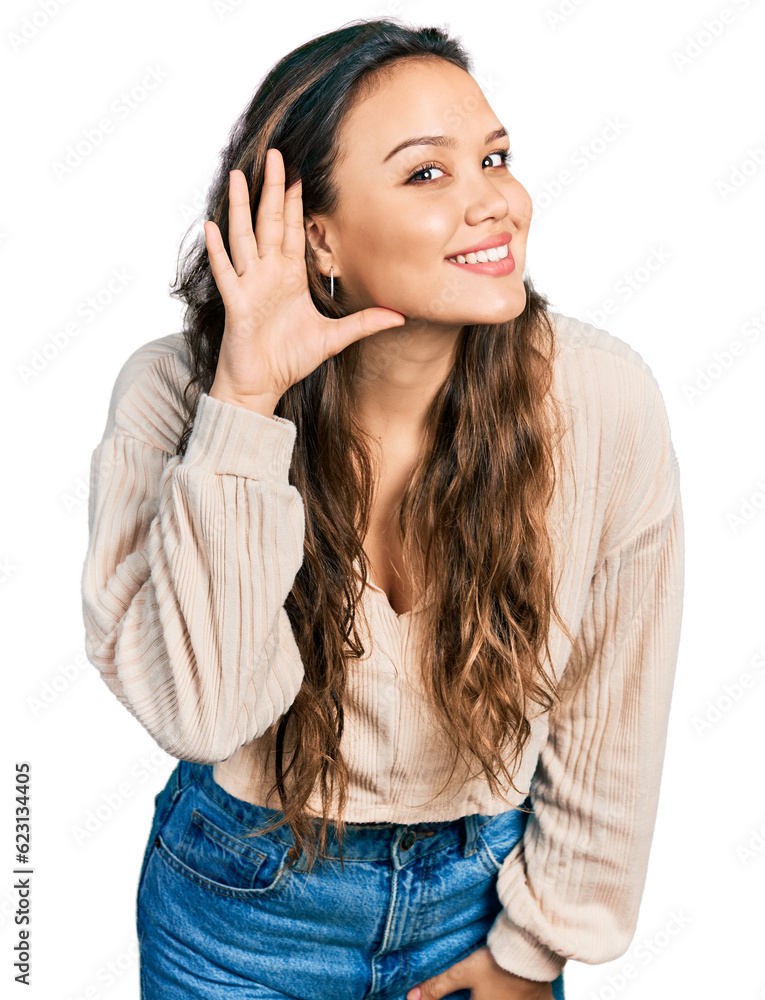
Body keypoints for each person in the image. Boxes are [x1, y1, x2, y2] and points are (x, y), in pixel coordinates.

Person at [80, 17, 684, 1000]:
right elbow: (207, 708)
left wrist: (538, 946)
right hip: (240, 906)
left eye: (494, 157)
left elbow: (617, 700)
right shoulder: (170, 398)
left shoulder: (601, 398)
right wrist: (243, 408)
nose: (498, 202)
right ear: (315, 231)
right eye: (427, 174)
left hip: (480, 901)